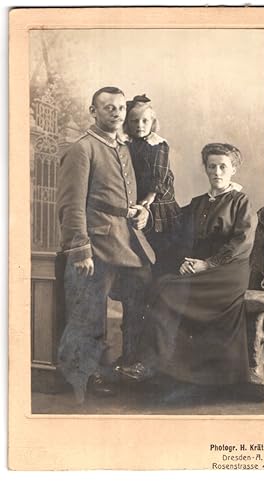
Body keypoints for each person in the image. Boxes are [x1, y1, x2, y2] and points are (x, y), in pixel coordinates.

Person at [116, 143, 260, 397]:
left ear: (233, 170)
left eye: (223, 166)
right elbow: (173, 230)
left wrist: (208, 264)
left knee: (169, 289)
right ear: (205, 168)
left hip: (229, 270)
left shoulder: (240, 201)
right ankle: (159, 367)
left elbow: (241, 242)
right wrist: (147, 218)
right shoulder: (198, 203)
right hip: (199, 266)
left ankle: (151, 364)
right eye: (212, 166)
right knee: (162, 285)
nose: (217, 171)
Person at [56, 86, 155, 403]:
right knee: (91, 311)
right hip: (96, 242)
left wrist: (142, 211)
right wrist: (80, 248)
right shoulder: (82, 149)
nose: (117, 113)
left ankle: (128, 365)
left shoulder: (123, 148)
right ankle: (86, 374)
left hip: (126, 239)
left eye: (121, 108)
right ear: (93, 111)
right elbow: (71, 205)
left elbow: (126, 196)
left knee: (142, 295)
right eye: (109, 107)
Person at [124, 94, 182, 275]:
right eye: (134, 121)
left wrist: (149, 197)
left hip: (157, 201)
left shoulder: (158, 145)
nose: (139, 125)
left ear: (152, 122)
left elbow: (160, 174)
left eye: (144, 121)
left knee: (161, 249)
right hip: (139, 199)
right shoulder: (128, 143)